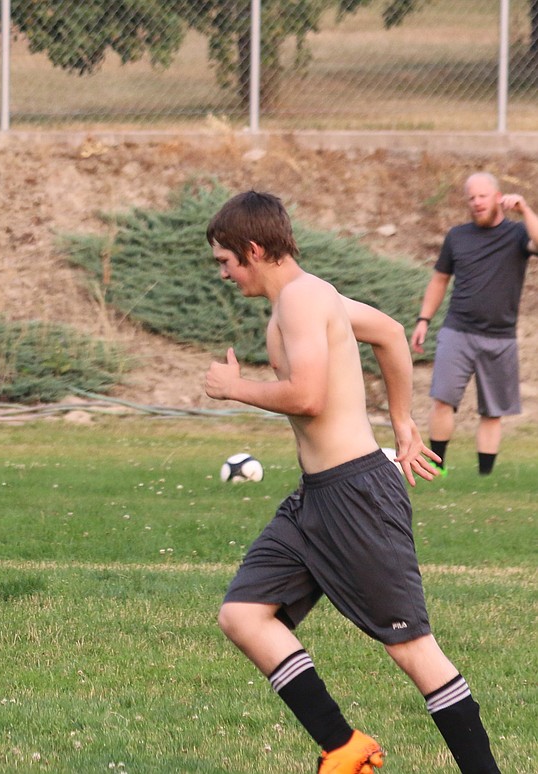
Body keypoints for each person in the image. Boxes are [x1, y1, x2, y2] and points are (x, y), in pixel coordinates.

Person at [204, 191, 499, 773]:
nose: (224, 273)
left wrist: (235, 389)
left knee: (413, 651)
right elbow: (390, 332)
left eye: (225, 261)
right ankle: (343, 748)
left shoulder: (301, 300)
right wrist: (404, 421)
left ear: (254, 249)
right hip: (315, 500)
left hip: (357, 498)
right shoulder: (313, 297)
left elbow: (308, 397)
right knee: (244, 614)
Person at [410, 172, 538, 476]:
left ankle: (485, 478)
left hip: (500, 337)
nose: (476, 202)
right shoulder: (457, 236)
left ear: (498, 197)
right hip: (458, 331)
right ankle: (437, 469)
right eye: (471, 198)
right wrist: (423, 320)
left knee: (492, 412)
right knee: (442, 400)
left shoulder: (519, 234)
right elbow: (440, 279)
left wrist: (526, 210)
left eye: (482, 196)